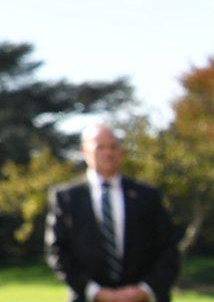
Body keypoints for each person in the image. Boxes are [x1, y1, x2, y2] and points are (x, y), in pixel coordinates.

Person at [46, 123, 181, 302]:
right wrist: (95, 292)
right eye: (100, 147)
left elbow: (168, 249)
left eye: (113, 147)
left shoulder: (148, 196)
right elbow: (57, 251)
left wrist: (145, 290)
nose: (108, 153)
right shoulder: (67, 198)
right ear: (85, 152)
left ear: (121, 152)